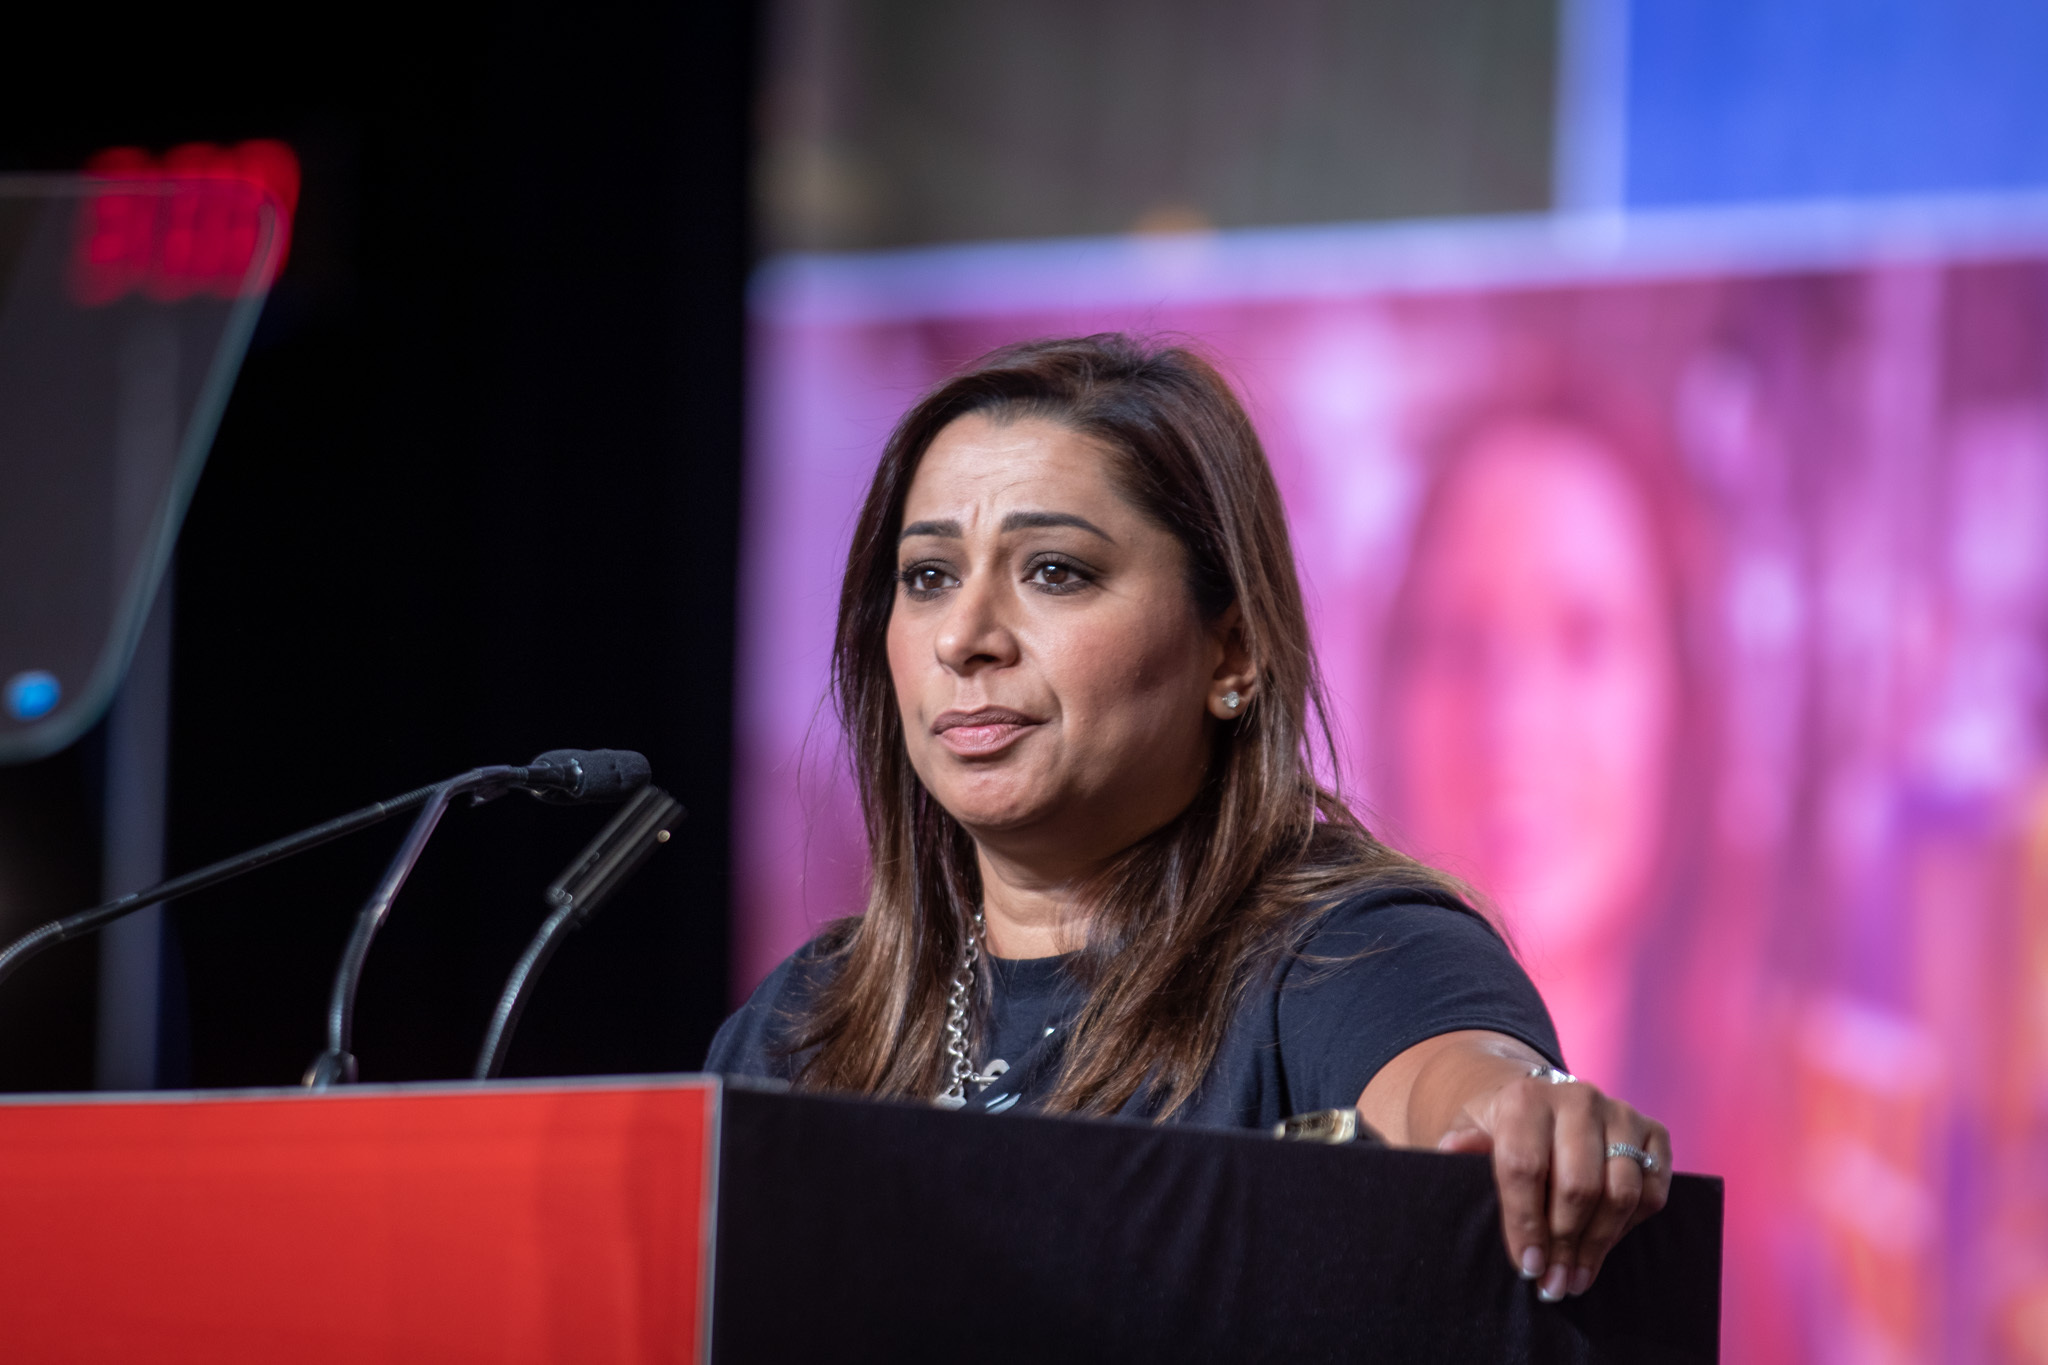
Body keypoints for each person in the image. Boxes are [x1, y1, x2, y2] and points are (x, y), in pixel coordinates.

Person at [708, 334, 1672, 1302]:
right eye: (927, 578)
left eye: (1052, 571)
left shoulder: (1347, 952)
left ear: (1231, 651)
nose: (964, 637)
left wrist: (1528, 1114)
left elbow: (1453, 1079)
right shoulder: (804, 1023)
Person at [1382, 414, 1680, 1089]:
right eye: (1460, 641)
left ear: (1682, 699)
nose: (1511, 720)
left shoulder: (1816, 1163)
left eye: (1584, 638)